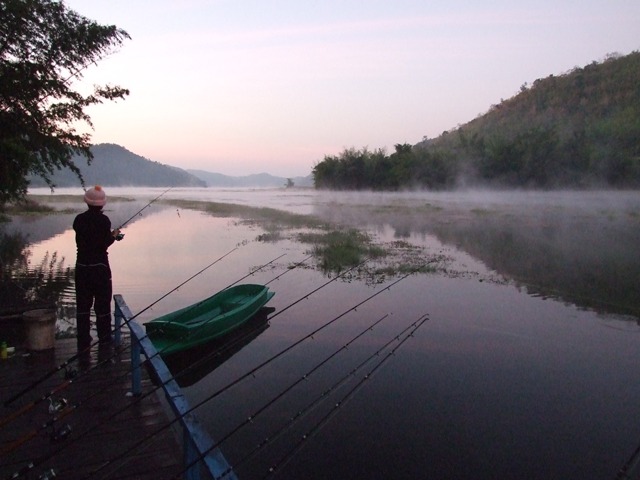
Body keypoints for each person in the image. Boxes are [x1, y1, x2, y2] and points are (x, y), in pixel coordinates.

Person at [73, 185, 122, 351]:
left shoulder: (78, 220)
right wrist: (113, 236)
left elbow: (87, 240)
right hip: (100, 268)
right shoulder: (104, 221)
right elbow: (103, 244)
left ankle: (83, 342)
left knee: (83, 307)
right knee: (102, 307)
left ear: (87, 202)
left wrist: (109, 236)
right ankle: (105, 341)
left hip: (81, 268)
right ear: (102, 204)